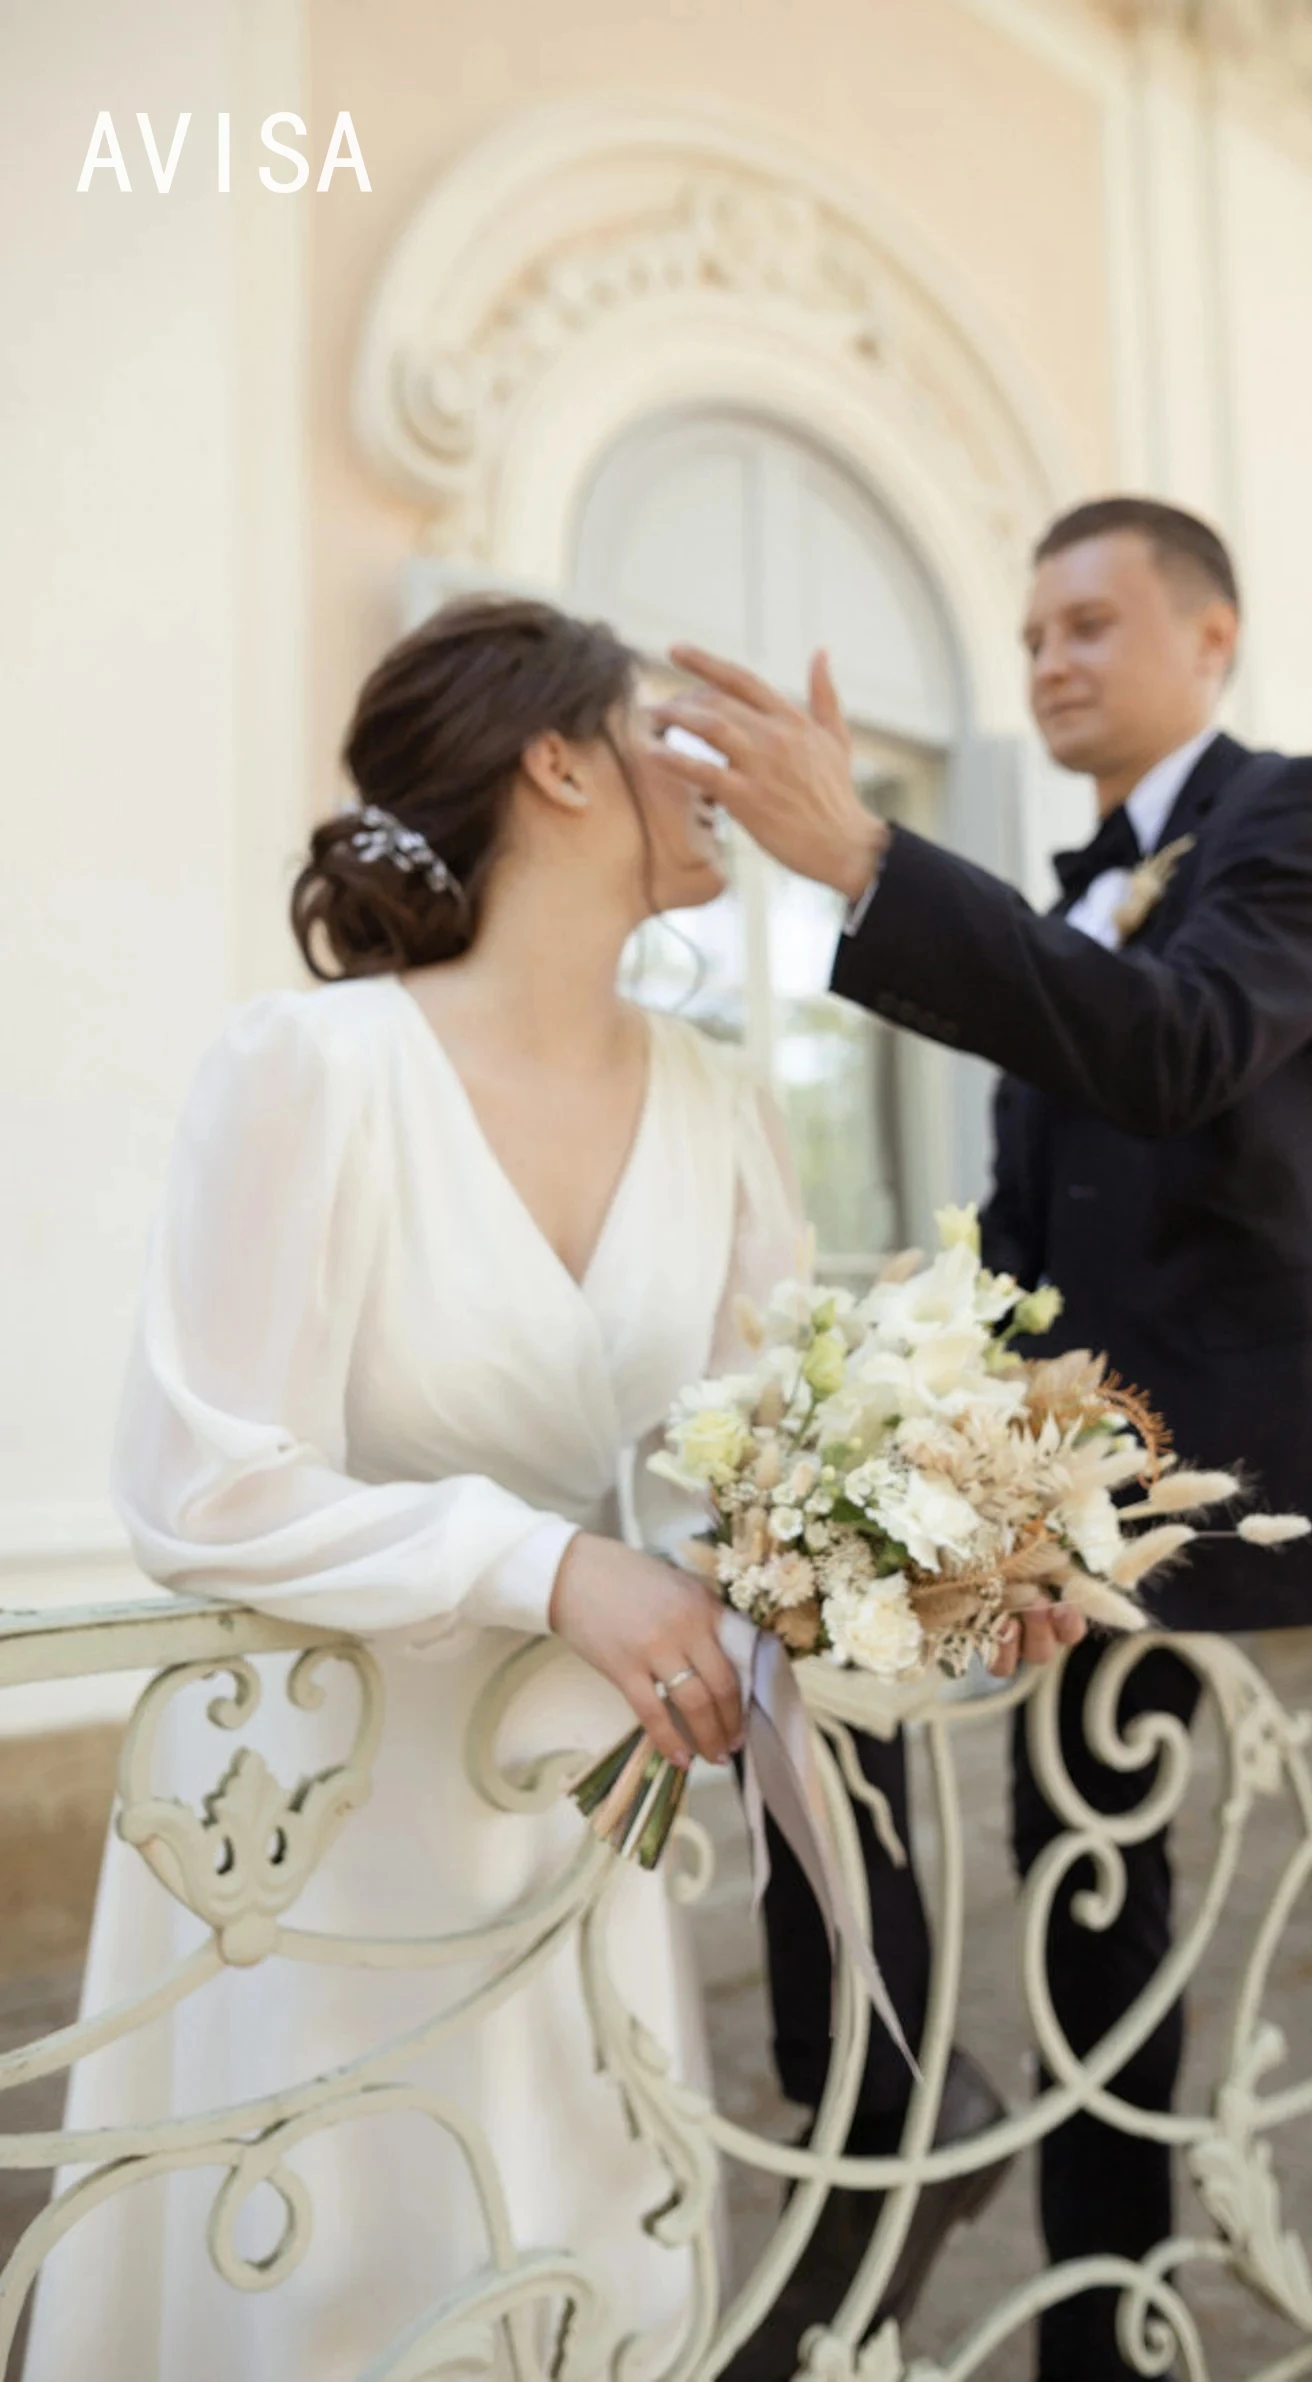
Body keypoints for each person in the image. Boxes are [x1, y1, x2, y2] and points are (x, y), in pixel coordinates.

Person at [658, 495, 1312, 2379]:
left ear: (1212, 635)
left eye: (1089, 622)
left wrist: (866, 857)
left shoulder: (1307, 818)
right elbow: (1039, 1216)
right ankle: (953, 2178)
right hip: (1056, 1492)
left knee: (1130, 1903)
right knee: (997, 1820)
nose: (1049, 662)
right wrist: (920, 1401)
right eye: (1028, 638)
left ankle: (1114, 2311)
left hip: (1239, 1471)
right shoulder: (1070, 885)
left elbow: (1173, 1049)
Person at [23, 596, 805, 2382]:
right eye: (669, 732)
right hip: (323, 1807)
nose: (720, 779)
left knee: (584, 2255)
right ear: (556, 760)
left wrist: (939, 1558)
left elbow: (756, 1461)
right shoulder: (314, 1066)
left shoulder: (721, 1102)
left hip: (579, 1801)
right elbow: (206, 1484)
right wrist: (553, 1567)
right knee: (343, 2274)